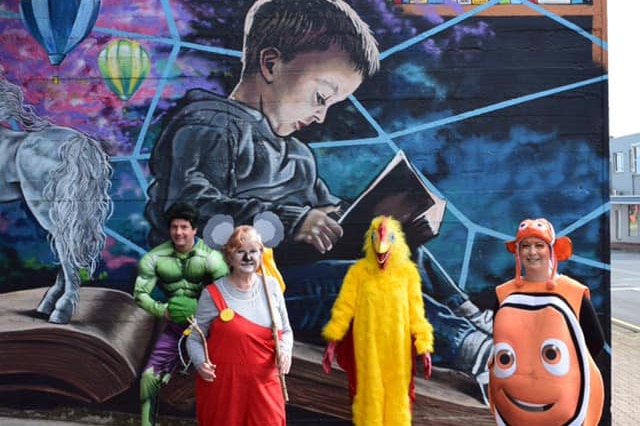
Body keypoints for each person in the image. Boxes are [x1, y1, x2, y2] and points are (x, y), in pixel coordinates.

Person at [144, 0, 491, 403]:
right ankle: (475, 349)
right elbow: (194, 214)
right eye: (320, 96)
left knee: (388, 239)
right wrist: (294, 222)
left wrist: (361, 217)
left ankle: (469, 316)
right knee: (352, 283)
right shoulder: (210, 125)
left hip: (286, 281)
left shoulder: (297, 157)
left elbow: (326, 215)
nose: (321, 116)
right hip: (232, 297)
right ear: (271, 65)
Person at [488, 218, 605, 425]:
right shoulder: (504, 293)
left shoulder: (573, 292)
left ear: (551, 249)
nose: (532, 252)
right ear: (517, 251)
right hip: (514, 411)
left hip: (562, 410)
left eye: (539, 245)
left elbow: (594, 342)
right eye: (525, 246)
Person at [322, 216, 434, 426]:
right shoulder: (358, 272)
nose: (381, 254)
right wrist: (333, 341)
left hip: (398, 352)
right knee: (367, 400)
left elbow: (416, 313)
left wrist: (424, 346)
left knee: (398, 401)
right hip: (367, 351)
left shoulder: (408, 273)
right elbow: (344, 307)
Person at [134, 202, 229, 426]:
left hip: (209, 330)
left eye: (184, 227)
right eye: (175, 227)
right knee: (148, 378)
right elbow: (140, 294)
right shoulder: (156, 258)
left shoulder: (212, 259)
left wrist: (202, 312)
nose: (179, 232)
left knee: (221, 379)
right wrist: (162, 310)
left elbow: (226, 297)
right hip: (176, 326)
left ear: (194, 230)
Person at [187, 225, 293, 425]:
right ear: (229, 256)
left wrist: (285, 351)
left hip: (265, 385)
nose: (248, 258)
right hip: (225, 388)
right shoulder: (212, 294)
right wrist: (200, 363)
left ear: (261, 254)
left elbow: (286, 331)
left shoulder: (272, 287)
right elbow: (194, 338)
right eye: (240, 252)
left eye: (253, 251)